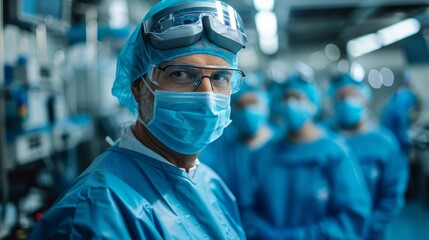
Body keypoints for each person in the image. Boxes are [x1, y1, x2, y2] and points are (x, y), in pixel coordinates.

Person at [29, 0, 248, 239]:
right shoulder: (96, 210)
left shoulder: (210, 183)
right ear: (139, 88)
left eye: (220, 77)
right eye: (181, 74)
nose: (207, 95)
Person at [241, 73, 371, 239]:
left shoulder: (333, 153)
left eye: (297, 97)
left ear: (312, 104)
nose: (289, 104)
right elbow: (246, 208)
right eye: (285, 98)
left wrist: (296, 237)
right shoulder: (263, 155)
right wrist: (263, 233)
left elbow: (351, 216)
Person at [328, 73, 409, 240]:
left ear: (365, 98)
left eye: (353, 95)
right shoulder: (324, 140)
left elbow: (393, 194)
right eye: (341, 97)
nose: (346, 102)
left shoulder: (384, 142)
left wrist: (370, 227)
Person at [199, 72, 275, 207]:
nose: (247, 111)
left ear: (266, 104)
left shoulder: (283, 145)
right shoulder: (220, 148)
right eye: (241, 105)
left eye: (253, 103)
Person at [380, 71, 420, 155]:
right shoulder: (405, 96)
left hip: (390, 138)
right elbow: (400, 116)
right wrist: (405, 136)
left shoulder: (394, 98)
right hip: (397, 139)